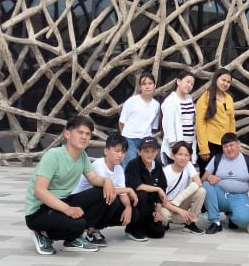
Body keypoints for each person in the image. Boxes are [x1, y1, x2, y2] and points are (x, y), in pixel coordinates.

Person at [24, 116, 119, 254]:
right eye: (80, 132)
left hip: (62, 202)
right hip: (39, 211)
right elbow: (39, 190)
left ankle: (72, 238)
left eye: (88, 134)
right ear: (67, 134)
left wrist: (107, 181)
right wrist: (67, 209)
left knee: (103, 195)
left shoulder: (82, 156)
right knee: (78, 224)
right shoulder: (53, 155)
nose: (84, 137)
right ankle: (42, 233)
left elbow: (93, 178)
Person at [201, 131, 249, 233]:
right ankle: (215, 222)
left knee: (244, 220)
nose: (229, 149)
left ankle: (232, 216)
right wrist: (209, 177)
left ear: (238, 144)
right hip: (222, 196)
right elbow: (202, 180)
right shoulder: (217, 159)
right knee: (206, 185)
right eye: (225, 146)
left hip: (240, 196)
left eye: (231, 145)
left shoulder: (247, 160)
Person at [122, 136, 169, 241]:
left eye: (153, 151)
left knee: (158, 233)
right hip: (134, 204)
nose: (149, 154)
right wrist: (157, 189)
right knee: (142, 193)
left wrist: (158, 211)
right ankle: (133, 230)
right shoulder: (133, 165)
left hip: (150, 206)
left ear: (157, 152)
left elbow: (162, 188)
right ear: (139, 152)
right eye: (146, 151)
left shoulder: (157, 166)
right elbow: (137, 186)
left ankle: (143, 227)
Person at [195, 68, 236, 174]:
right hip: (209, 144)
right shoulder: (205, 97)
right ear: (216, 79)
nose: (225, 83)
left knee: (222, 174)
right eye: (223, 80)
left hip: (224, 144)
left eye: (228, 82)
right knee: (207, 176)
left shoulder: (229, 98)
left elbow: (231, 121)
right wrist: (203, 148)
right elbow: (200, 124)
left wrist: (232, 143)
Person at [161, 140, 206, 233]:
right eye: (180, 154)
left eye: (186, 155)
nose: (183, 158)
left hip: (180, 203)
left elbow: (198, 183)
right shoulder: (166, 172)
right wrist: (179, 210)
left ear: (190, 157)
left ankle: (190, 223)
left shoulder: (188, 165)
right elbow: (163, 202)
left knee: (201, 190)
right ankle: (165, 224)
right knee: (163, 215)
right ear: (172, 156)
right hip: (167, 206)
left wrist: (178, 200)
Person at [118, 73, 161, 166]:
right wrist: (125, 137)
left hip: (146, 140)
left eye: (150, 83)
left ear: (154, 85)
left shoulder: (156, 105)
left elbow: (153, 126)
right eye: (144, 84)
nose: (147, 86)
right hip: (129, 138)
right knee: (130, 166)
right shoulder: (131, 101)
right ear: (140, 87)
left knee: (145, 166)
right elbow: (121, 122)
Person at [160, 71, 197, 164]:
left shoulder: (189, 99)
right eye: (187, 82)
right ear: (178, 81)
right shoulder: (170, 100)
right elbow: (168, 124)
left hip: (189, 145)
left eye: (192, 84)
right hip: (176, 147)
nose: (189, 85)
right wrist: (174, 146)